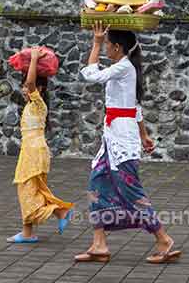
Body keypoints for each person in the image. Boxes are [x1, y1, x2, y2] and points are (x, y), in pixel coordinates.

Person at [74, 22, 181, 264]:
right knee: (96, 183)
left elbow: (91, 76)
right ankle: (99, 243)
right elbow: (136, 107)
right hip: (113, 136)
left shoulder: (123, 68)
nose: (105, 50)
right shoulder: (124, 68)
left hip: (122, 139)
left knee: (131, 189)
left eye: (107, 46)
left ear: (117, 47)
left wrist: (95, 42)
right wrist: (144, 135)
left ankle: (163, 239)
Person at [7, 48, 73, 244]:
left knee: (28, 190)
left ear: (39, 89)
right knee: (30, 190)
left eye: (26, 87)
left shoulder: (38, 104)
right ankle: (28, 232)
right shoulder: (31, 106)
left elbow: (30, 82)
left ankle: (60, 212)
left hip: (34, 153)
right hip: (31, 152)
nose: (24, 89)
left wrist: (34, 58)